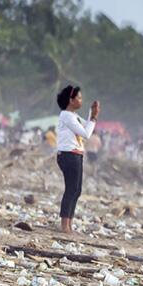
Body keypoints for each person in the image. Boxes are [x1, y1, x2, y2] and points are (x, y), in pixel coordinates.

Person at [54, 84, 99, 234]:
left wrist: (92, 115)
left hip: (76, 154)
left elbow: (87, 126)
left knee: (77, 190)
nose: (81, 100)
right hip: (68, 155)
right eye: (78, 98)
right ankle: (64, 224)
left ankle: (69, 223)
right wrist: (92, 118)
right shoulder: (66, 116)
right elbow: (86, 133)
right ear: (70, 100)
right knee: (71, 189)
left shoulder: (73, 116)